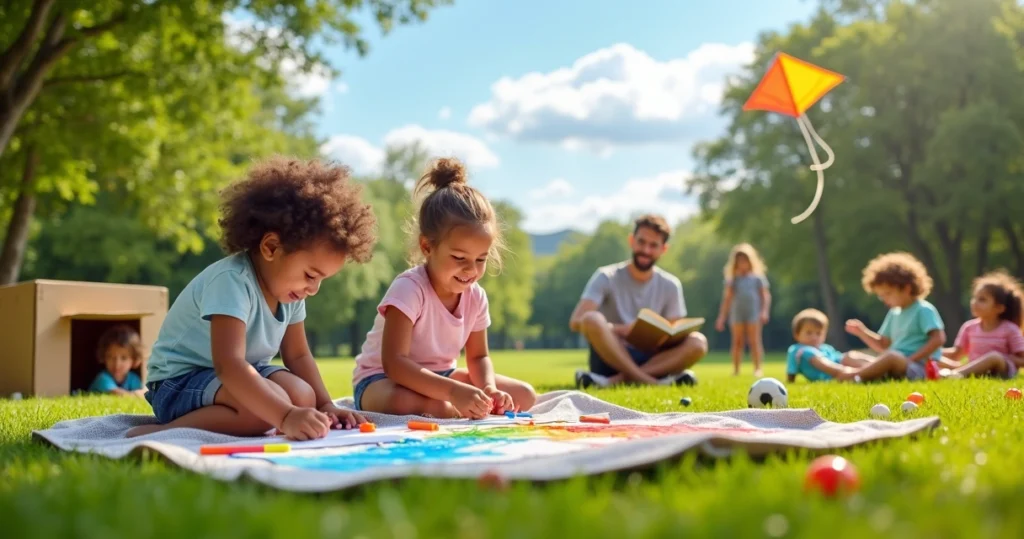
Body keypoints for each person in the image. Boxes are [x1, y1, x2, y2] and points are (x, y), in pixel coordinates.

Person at [127, 156, 375, 439]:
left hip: (238, 375)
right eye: (310, 275)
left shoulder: (291, 293)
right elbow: (229, 364)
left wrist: (325, 404)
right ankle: (167, 430)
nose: (313, 289)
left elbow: (298, 354)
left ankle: (267, 410)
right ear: (271, 247)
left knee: (303, 395)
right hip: (179, 383)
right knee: (263, 411)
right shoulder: (232, 281)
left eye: (321, 280)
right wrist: (284, 415)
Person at [351, 157, 537, 419]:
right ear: (427, 247)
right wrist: (452, 393)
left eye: (480, 259)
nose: (471, 270)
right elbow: (395, 364)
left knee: (524, 395)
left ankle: (453, 403)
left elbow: (479, 357)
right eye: (459, 259)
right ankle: (446, 406)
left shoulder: (476, 296)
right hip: (380, 380)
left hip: (442, 377)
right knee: (428, 406)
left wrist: (489, 388)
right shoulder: (409, 289)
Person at [569, 214, 708, 389]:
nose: (646, 250)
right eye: (641, 242)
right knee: (591, 319)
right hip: (610, 356)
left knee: (698, 342)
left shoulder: (671, 285)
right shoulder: (606, 276)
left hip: (654, 357)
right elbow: (576, 321)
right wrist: (621, 330)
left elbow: (674, 331)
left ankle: (613, 382)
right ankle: (656, 383)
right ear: (631, 241)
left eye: (653, 245)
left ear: (663, 249)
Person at [837, 252, 946, 382]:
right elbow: (883, 345)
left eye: (887, 294)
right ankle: (869, 374)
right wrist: (862, 332)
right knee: (851, 357)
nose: (884, 300)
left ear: (906, 288)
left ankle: (854, 376)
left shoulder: (923, 310)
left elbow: (938, 339)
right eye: (881, 296)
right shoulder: (894, 313)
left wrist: (911, 359)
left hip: (918, 366)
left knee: (892, 357)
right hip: (894, 362)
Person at [941, 270, 1024, 379]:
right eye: (974, 297)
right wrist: (934, 352)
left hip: (1000, 369)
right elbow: (956, 354)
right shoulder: (969, 327)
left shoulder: (1010, 329)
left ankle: (955, 374)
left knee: (994, 356)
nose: (974, 302)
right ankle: (952, 373)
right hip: (973, 367)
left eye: (982, 299)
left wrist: (1003, 357)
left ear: (999, 308)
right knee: (936, 359)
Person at [715, 243, 772, 377]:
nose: (742, 263)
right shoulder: (733, 280)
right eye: (739, 261)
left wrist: (764, 311)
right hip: (737, 313)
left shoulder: (757, 278)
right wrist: (722, 317)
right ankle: (736, 369)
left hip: (753, 312)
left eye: (745, 260)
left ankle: (757, 368)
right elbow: (727, 299)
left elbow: (765, 295)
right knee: (737, 342)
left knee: (754, 341)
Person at [785, 308, 868, 382]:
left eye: (818, 333)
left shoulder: (825, 348)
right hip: (832, 374)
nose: (814, 337)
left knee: (850, 356)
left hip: (842, 367)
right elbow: (791, 371)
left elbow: (838, 358)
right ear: (797, 334)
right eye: (809, 333)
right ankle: (865, 372)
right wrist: (790, 380)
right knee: (811, 354)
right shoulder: (797, 350)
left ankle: (874, 367)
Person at [88, 324, 146, 397]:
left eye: (124, 358)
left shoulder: (133, 379)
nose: (117, 364)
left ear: (134, 359)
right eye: (111, 357)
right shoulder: (102, 378)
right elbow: (117, 394)